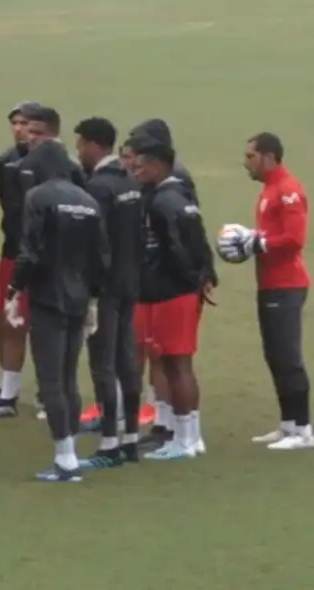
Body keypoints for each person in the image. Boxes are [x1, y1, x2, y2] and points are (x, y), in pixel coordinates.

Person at [5, 139, 109, 482]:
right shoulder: (89, 202)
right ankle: (71, 454)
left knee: (50, 380)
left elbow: (30, 251)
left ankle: (65, 460)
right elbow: (100, 259)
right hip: (79, 298)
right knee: (68, 378)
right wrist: (93, 298)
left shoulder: (39, 198)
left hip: (49, 297)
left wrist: (14, 288)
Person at [128, 136, 216, 461]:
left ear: (159, 165)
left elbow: (175, 250)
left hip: (169, 294)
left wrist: (183, 282)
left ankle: (184, 440)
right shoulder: (182, 195)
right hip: (181, 292)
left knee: (174, 365)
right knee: (178, 365)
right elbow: (199, 242)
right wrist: (202, 277)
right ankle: (190, 436)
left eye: (141, 165)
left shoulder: (161, 202)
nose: (136, 171)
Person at [225, 133, 311, 449]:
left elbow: (294, 239)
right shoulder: (269, 190)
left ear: (269, 156)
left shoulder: (287, 191)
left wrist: (257, 242)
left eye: (250, 156)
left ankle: (303, 430)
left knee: (288, 357)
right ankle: (288, 425)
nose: (245, 162)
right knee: (274, 355)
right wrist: (254, 239)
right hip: (271, 283)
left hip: (287, 285)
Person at [72, 117, 144, 468]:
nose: (79, 152)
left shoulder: (98, 187)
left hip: (106, 289)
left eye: (81, 144)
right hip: (130, 282)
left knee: (103, 363)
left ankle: (110, 444)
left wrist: (91, 290)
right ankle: (130, 438)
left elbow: (93, 244)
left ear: (94, 145)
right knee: (127, 362)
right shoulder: (130, 181)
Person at [123, 119, 193, 443]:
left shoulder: (169, 191)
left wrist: (189, 279)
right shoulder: (154, 188)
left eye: (139, 151)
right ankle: (167, 425)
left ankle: (183, 433)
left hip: (169, 289)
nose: (133, 160)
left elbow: (180, 243)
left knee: (170, 360)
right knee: (159, 355)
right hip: (160, 286)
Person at [0, 101, 41, 419]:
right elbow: (11, 209)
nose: (20, 129)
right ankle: (8, 393)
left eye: (26, 124)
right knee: (6, 320)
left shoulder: (54, 164)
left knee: (43, 324)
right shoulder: (3, 162)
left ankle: (47, 393)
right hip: (12, 252)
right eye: (16, 123)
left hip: (42, 257)